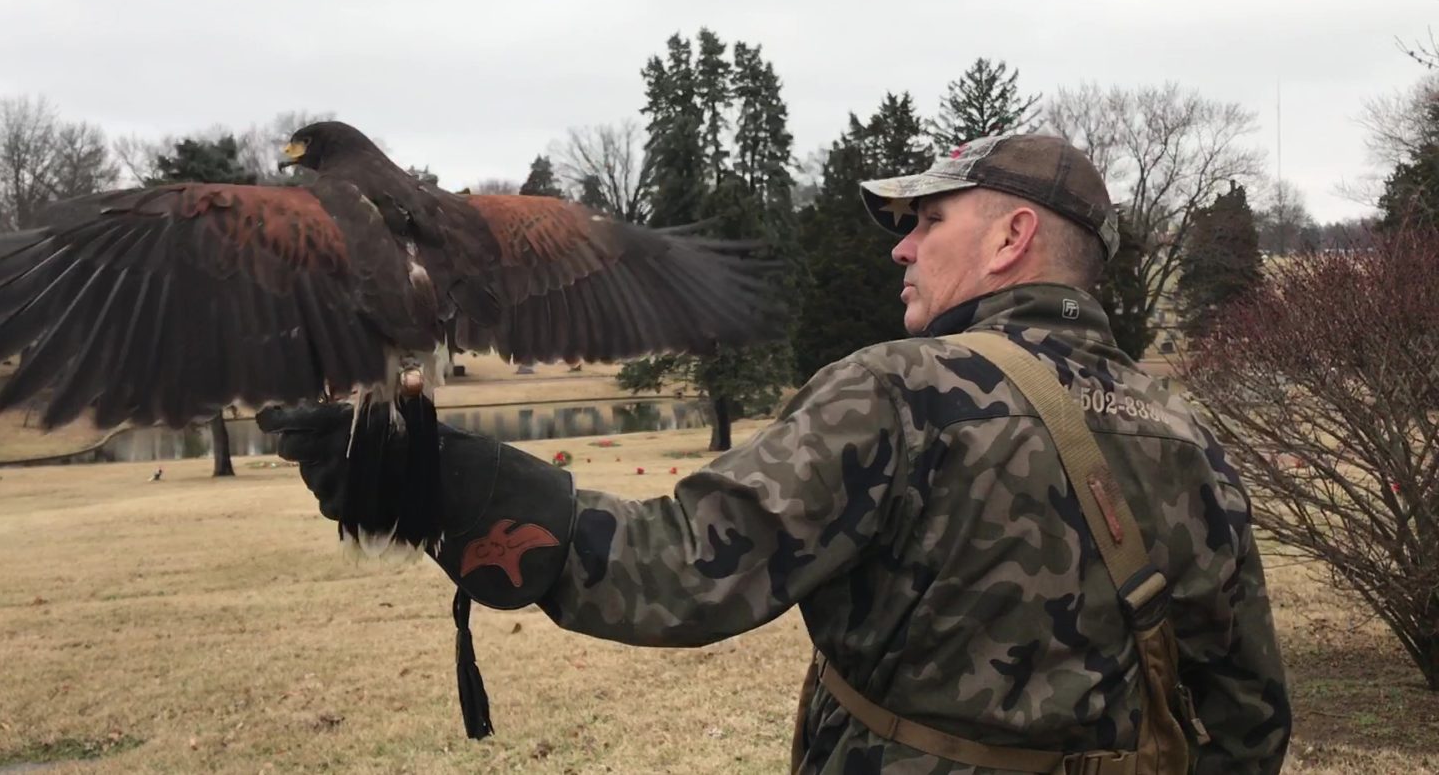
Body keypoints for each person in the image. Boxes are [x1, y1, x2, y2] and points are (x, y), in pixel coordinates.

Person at [262, 134, 1292, 774]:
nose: (898, 245)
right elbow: (1247, 713)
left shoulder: (899, 391)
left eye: (925, 220)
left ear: (1011, 236)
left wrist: (442, 481)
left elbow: (677, 575)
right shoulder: (1185, 430)